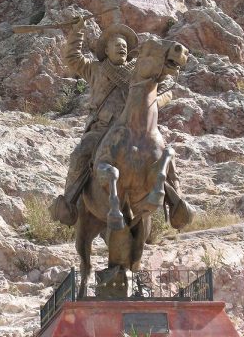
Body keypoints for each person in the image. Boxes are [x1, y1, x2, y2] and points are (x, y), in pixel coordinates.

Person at [50, 17, 181, 227]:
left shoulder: (137, 73)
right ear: (107, 50)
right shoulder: (95, 69)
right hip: (102, 129)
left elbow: (162, 85)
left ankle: (177, 204)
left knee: (165, 152)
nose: (121, 47)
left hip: (132, 130)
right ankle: (69, 203)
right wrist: (77, 32)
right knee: (80, 154)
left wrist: (159, 96)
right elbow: (72, 58)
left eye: (124, 45)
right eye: (116, 45)